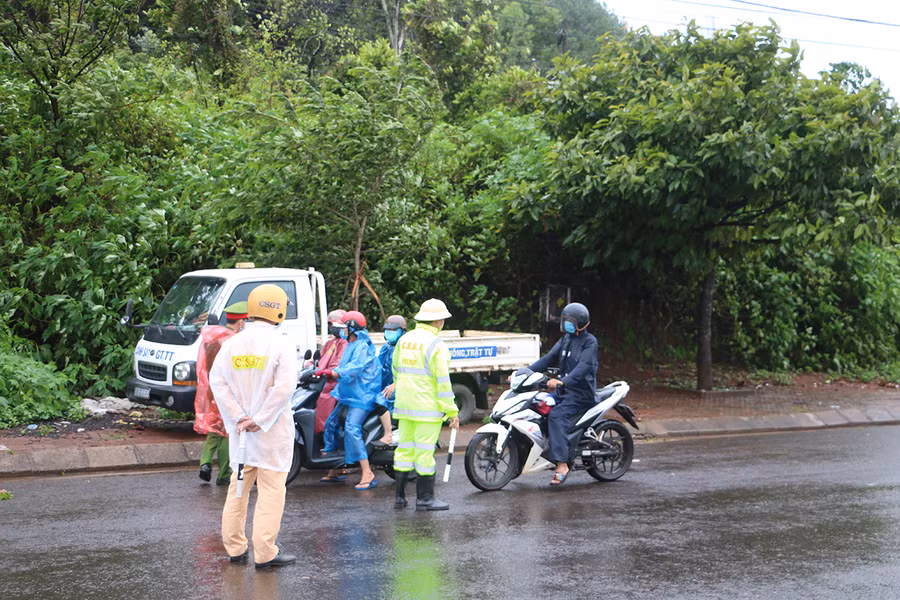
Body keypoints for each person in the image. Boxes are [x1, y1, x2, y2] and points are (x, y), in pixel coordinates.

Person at [210, 284, 298, 568]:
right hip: (271, 434)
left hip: (241, 435)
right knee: (271, 492)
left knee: (238, 490)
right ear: (279, 310)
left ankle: (235, 549)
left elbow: (218, 382)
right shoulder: (281, 343)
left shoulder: (233, 343)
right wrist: (260, 420)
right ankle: (265, 552)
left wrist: (238, 417)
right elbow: (285, 389)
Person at [391, 298, 459, 511]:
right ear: (439, 321)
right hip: (426, 409)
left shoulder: (404, 340)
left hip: (404, 406)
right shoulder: (436, 345)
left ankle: (400, 498)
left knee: (404, 451)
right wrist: (451, 411)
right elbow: (443, 382)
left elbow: (395, 370)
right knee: (424, 453)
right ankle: (425, 499)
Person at [528, 302, 598, 487]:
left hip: (581, 393)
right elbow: (548, 359)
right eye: (565, 321)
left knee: (557, 415)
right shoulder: (566, 339)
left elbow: (583, 367)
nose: (566, 324)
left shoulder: (589, 342)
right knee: (538, 406)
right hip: (563, 391)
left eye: (570, 321)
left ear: (580, 322)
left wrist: (562, 382)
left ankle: (562, 464)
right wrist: (524, 373)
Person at [319, 310, 382, 490]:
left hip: (363, 395)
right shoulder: (349, 344)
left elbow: (355, 368)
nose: (341, 331)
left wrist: (335, 372)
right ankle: (335, 468)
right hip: (349, 394)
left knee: (351, 428)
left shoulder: (361, 345)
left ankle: (367, 472)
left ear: (352, 329)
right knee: (331, 423)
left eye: (344, 327)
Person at [194, 301, 248, 485]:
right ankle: (224, 473)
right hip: (227, 389)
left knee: (213, 426)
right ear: (241, 322)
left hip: (210, 389)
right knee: (226, 430)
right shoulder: (234, 341)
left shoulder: (211, 338)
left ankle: (205, 462)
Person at [373, 314, 407, 445]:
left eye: (394, 330)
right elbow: (378, 366)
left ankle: (388, 434)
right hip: (384, 386)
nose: (390, 333)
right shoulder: (385, 347)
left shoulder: (404, 348)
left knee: (379, 401)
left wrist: (395, 385)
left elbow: (408, 371)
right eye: (388, 330)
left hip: (398, 388)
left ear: (402, 331)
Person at [314, 309, 348, 436]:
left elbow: (338, 364)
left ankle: (326, 436)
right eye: (330, 325)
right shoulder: (330, 342)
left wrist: (326, 372)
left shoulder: (345, 343)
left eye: (335, 325)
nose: (332, 328)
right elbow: (319, 359)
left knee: (326, 403)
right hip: (323, 381)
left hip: (334, 383)